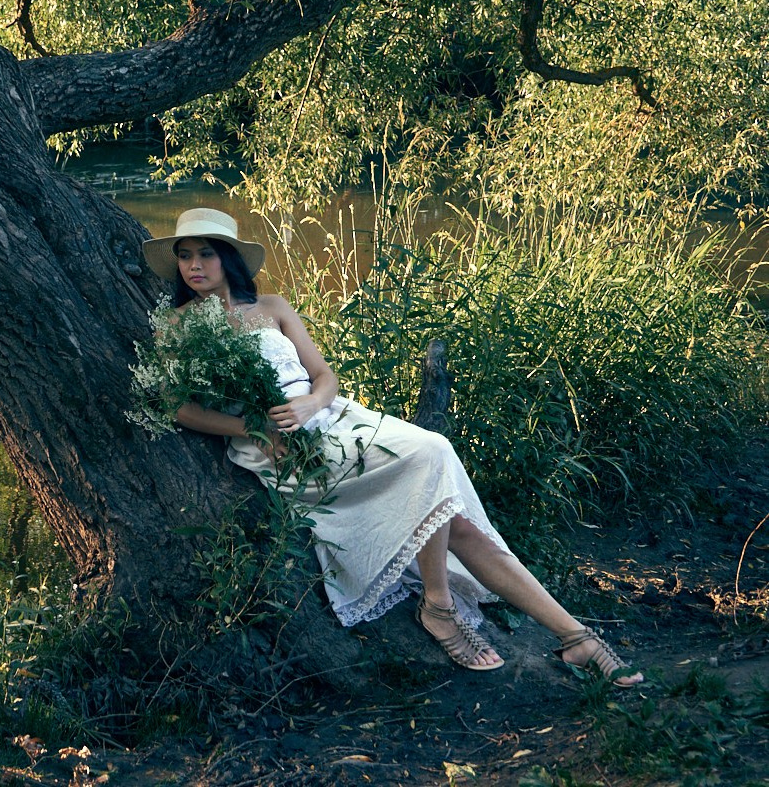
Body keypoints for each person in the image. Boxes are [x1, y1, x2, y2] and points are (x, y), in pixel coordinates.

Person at [142, 207, 643, 685]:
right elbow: (178, 408)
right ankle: (446, 608)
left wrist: (312, 403)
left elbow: (324, 376)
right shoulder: (176, 326)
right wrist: (252, 429)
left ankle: (572, 636)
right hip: (282, 449)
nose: (193, 266)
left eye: (205, 254)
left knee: (453, 512)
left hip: (335, 420)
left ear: (228, 258)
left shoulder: (271, 307)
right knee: (435, 465)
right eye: (185, 256)